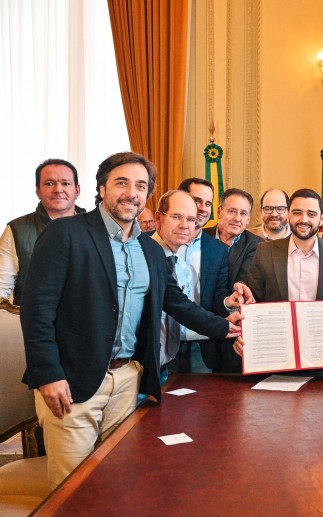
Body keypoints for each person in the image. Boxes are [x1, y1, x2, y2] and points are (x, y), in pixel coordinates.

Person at [21, 152, 242, 488]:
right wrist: (48, 373)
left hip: (127, 381)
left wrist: (226, 327)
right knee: (73, 492)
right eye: (121, 183)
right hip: (72, 381)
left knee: (119, 483)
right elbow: (37, 309)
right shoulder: (65, 233)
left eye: (140, 186)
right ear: (101, 188)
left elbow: (176, 302)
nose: (131, 193)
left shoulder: (149, 249)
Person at [232, 188, 323, 363]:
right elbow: (252, 302)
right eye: (297, 212)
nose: (303, 219)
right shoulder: (265, 251)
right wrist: (243, 334)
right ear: (288, 215)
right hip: (275, 354)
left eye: (311, 214)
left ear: (321, 218)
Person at [151, 190, 232, 374]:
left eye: (190, 219)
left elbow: (183, 307)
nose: (184, 225)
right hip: (140, 363)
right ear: (159, 218)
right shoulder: (144, 252)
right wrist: (223, 326)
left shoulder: (180, 263)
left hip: (179, 355)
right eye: (176, 217)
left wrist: (224, 324)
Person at [0, 158, 85, 305]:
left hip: (84, 317)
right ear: (38, 191)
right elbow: (1, 290)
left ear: (77, 190)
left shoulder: (96, 228)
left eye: (65, 183)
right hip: (31, 317)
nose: (58, 190)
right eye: (49, 183)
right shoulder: (17, 229)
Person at [204, 188, 264, 287]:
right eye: (232, 211)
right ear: (219, 212)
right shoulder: (200, 238)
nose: (237, 218)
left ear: (248, 219)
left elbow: (244, 281)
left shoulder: (256, 245)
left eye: (243, 214)